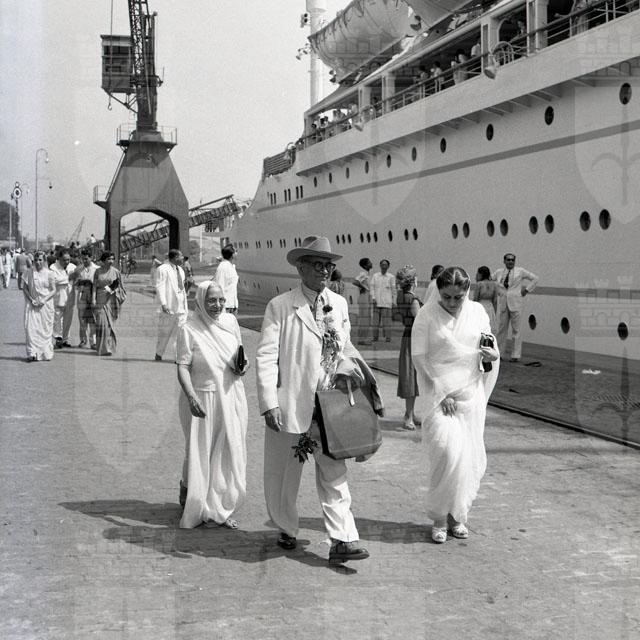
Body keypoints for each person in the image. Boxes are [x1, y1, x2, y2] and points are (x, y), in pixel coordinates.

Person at [256, 235, 374, 563]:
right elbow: (266, 356)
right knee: (283, 472)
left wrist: (352, 372)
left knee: (334, 470)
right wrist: (268, 402)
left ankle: (342, 539)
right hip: (291, 402)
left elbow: (346, 347)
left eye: (328, 265)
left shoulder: (339, 304)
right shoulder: (280, 306)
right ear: (301, 268)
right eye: (318, 265)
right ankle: (285, 526)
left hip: (330, 403)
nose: (324, 271)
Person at [411, 266, 500, 543]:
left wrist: (492, 354)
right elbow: (419, 357)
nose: (451, 303)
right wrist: (442, 392)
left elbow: (488, 345)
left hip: (470, 395)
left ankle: (457, 515)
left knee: (467, 459)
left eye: (458, 297)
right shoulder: (426, 315)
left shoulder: (478, 312)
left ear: (467, 291)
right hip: (439, 397)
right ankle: (439, 516)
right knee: (446, 455)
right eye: (446, 297)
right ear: (438, 291)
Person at [176, 281, 248, 529]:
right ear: (200, 301)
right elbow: (183, 367)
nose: (217, 305)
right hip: (202, 399)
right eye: (211, 301)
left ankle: (220, 507)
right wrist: (191, 397)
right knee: (200, 452)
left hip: (231, 395)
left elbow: (241, 354)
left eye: (221, 300)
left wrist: (243, 366)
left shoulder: (230, 323)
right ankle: (194, 498)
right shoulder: (189, 329)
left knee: (227, 451)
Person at [492, 253, 539, 362]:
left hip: (516, 303)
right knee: (501, 330)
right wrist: (497, 290)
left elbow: (535, 278)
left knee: (516, 330)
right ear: (504, 261)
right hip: (503, 303)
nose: (510, 262)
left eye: (512, 260)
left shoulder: (520, 271)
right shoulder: (499, 272)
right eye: (508, 260)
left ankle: (515, 355)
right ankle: (499, 354)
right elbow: (489, 280)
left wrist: (526, 290)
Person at [395, 265, 422, 430]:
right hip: (414, 338)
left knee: (411, 375)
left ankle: (410, 413)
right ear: (414, 281)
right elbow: (419, 322)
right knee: (412, 376)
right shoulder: (413, 299)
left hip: (407, 336)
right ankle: (408, 415)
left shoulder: (400, 296)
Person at [155, 249, 188, 361]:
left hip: (181, 306)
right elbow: (160, 286)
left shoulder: (181, 270)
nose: (183, 258)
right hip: (169, 306)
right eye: (181, 256)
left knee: (180, 333)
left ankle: (178, 357)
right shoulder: (162, 269)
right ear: (175, 257)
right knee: (165, 332)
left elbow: (182, 287)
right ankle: (159, 353)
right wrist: (163, 304)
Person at [22, 251, 55, 362]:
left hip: (45, 305)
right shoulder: (28, 272)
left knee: (44, 329)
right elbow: (25, 288)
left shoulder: (49, 273)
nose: (37, 262)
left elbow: (53, 290)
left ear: (44, 261)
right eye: (35, 260)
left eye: (40, 260)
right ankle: (32, 353)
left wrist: (44, 300)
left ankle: (45, 353)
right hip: (32, 304)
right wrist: (31, 300)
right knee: (30, 328)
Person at [92, 251, 124, 356]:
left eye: (112, 259)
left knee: (110, 325)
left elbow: (121, 287)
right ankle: (101, 348)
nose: (111, 261)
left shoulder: (116, 272)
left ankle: (108, 348)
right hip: (100, 300)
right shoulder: (97, 272)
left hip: (112, 300)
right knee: (101, 324)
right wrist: (93, 299)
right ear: (103, 260)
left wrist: (114, 290)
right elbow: (94, 286)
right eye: (108, 259)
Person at [50, 247, 76, 349]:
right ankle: (58, 338)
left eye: (68, 259)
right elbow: (55, 280)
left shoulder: (72, 267)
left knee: (68, 320)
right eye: (64, 260)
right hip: (58, 297)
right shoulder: (53, 267)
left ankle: (65, 339)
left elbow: (77, 278)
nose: (67, 262)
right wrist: (68, 278)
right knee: (57, 320)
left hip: (70, 297)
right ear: (59, 259)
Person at [73, 249, 98, 348]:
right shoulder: (78, 269)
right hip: (82, 295)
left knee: (93, 319)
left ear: (91, 258)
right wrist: (79, 282)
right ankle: (83, 340)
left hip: (92, 296)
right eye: (82, 259)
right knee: (82, 319)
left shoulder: (97, 269)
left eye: (86, 259)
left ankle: (93, 342)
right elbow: (74, 284)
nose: (84, 261)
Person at [371, 259, 396, 342]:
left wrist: (394, 301)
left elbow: (394, 290)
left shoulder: (391, 277)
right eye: (382, 264)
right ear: (380, 265)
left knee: (387, 322)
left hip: (387, 303)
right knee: (375, 322)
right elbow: (372, 287)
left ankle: (388, 337)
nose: (384, 266)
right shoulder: (375, 276)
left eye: (385, 264)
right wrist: (373, 298)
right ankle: (375, 337)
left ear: (388, 266)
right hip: (376, 302)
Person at [212, 244, 239, 314]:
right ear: (232, 255)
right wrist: (221, 305)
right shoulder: (223, 267)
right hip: (225, 306)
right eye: (236, 251)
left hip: (233, 304)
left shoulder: (232, 266)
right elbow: (219, 286)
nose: (237, 253)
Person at [472, 266, 498, 333]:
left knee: (479, 327)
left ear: (481, 274)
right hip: (490, 307)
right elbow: (495, 301)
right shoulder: (494, 284)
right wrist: (494, 312)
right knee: (489, 327)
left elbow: (475, 299)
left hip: (480, 307)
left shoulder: (479, 284)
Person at [353, 257, 373, 345]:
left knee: (367, 318)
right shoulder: (363, 273)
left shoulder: (368, 274)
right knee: (364, 318)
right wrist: (364, 287)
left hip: (368, 296)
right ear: (365, 265)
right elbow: (355, 281)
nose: (371, 263)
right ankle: (362, 339)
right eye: (369, 262)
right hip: (364, 296)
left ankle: (364, 338)